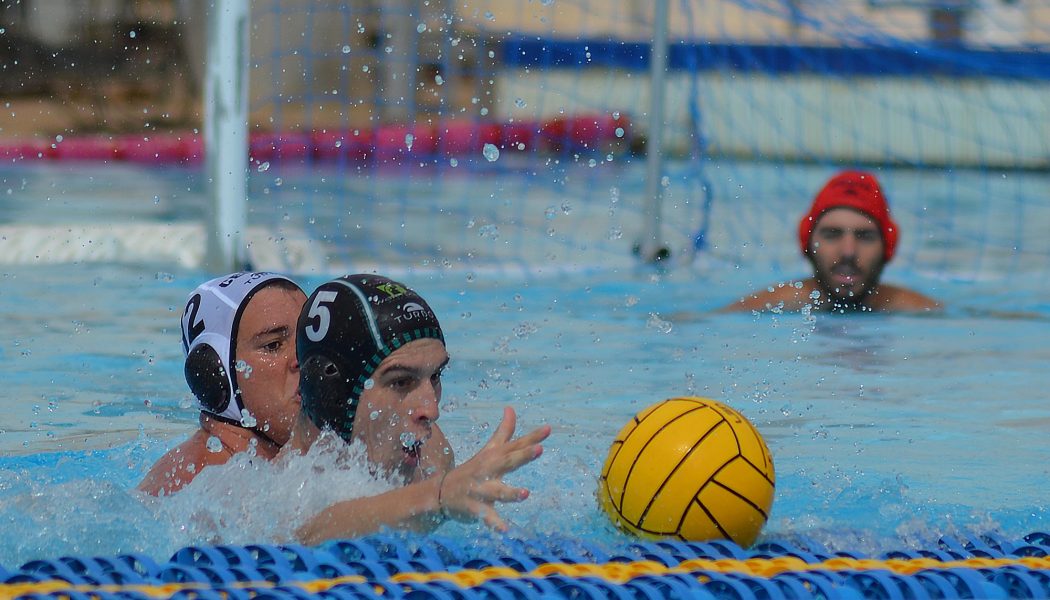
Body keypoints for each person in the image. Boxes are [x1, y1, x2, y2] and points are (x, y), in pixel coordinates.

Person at [285, 274, 551, 543]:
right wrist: (440, 496)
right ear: (334, 397)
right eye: (401, 381)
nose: (431, 410)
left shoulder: (432, 454)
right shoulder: (282, 485)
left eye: (435, 376)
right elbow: (309, 534)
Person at [138, 271, 307, 496]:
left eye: (308, 337)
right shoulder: (198, 484)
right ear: (213, 372)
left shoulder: (282, 465)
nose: (303, 358)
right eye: (273, 345)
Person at [722, 170, 940, 313]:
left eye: (864, 236)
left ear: (888, 246)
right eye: (832, 234)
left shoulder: (923, 312)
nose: (848, 251)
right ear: (807, 242)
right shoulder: (762, 308)